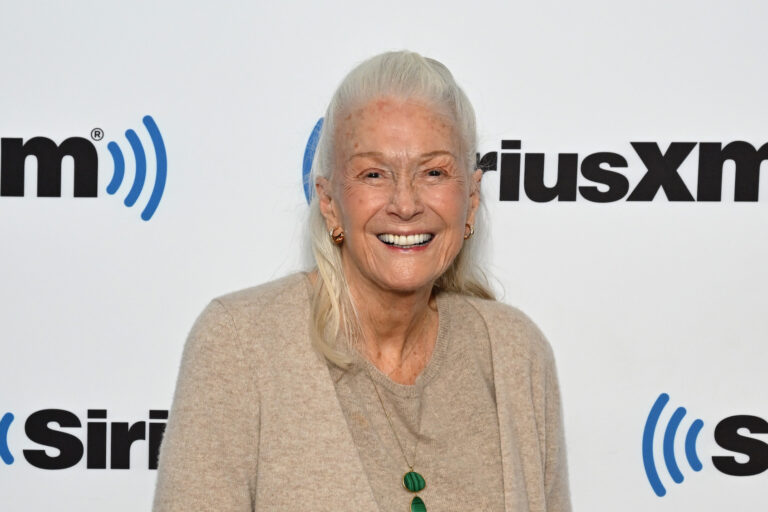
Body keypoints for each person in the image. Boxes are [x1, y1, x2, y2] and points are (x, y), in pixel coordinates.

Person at [153, 50, 571, 512]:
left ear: (470, 199)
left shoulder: (516, 352)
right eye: (374, 174)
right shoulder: (239, 344)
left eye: (434, 172)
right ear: (329, 202)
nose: (406, 203)